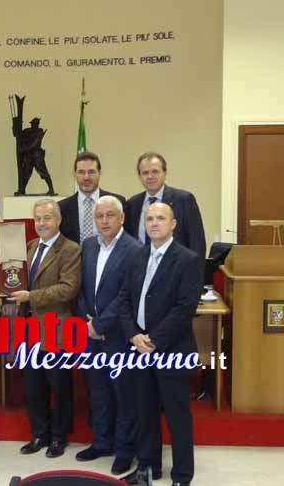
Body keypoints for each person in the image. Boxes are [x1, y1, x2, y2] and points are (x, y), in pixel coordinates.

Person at [118, 202, 202, 486]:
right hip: (139, 347)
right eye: (150, 218)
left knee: (178, 417)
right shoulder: (137, 256)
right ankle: (148, 468)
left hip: (171, 350)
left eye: (161, 218)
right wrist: (133, 335)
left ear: (173, 224)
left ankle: (182, 476)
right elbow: (124, 300)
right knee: (145, 413)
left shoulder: (188, 260)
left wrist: (153, 340)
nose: (154, 223)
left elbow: (185, 308)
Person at [123, 151, 212, 400]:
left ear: (164, 173)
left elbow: (197, 244)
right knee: (145, 389)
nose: (150, 176)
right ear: (139, 176)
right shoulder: (133, 204)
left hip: (173, 296)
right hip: (142, 296)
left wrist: (194, 290)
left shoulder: (183, 199)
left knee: (171, 390)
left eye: (155, 171)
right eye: (145, 172)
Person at [74, 195, 142, 476]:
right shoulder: (88, 245)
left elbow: (128, 295)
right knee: (98, 390)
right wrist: (88, 322)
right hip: (89, 333)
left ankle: (124, 450)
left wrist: (101, 325)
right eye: (99, 216)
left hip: (118, 334)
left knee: (123, 393)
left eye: (110, 215)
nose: (104, 221)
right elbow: (80, 288)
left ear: (121, 218)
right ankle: (101, 442)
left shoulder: (134, 249)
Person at [8, 199, 80, 458]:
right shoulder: (30, 246)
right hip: (28, 330)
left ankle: (59, 437)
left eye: (47, 218)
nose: (41, 223)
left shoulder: (70, 249)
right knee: (33, 387)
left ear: (58, 220)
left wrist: (31, 297)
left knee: (59, 386)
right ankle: (40, 434)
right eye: (37, 218)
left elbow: (68, 289)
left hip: (55, 327)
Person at [57, 151, 127, 244]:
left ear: (100, 173)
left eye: (91, 172)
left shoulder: (117, 202)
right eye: (81, 172)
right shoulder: (61, 207)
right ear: (74, 174)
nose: (86, 177)